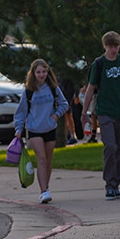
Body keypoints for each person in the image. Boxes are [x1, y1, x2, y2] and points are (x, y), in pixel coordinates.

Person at [82, 31, 120, 201]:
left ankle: (116, 185)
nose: (114, 49)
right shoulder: (99, 64)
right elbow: (90, 88)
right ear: (105, 46)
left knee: (119, 150)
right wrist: (85, 112)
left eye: (116, 46)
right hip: (105, 111)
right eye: (111, 46)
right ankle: (109, 184)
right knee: (110, 147)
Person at [14, 59, 70, 204]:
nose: (41, 74)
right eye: (38, 72)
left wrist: (56, 115)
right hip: (34, 129)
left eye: (44, 71)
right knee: (42, 159)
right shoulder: (28, 91)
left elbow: (64, 104)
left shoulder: (53, 88)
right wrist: (18, 129)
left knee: (48, 161)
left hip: (49, 128)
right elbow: (21, 112)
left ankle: (46, 186)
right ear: (33, 73)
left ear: (48, 72)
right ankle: (44, 191)